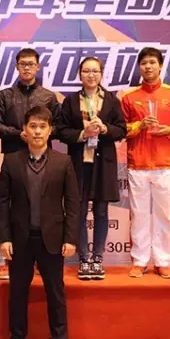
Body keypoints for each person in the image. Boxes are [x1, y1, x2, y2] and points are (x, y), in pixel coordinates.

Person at [0, 106, 79, 339]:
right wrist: (4, 238)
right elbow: (2, 203)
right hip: (20, 240)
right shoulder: (11, 161)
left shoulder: (63, 162)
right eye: (33, 126)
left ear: (50, 130)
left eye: (43, 126)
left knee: (56, 293)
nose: (38, 131)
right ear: (25, 130)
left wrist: (70, 238)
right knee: (18, 293)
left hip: (52, 240)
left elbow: (72, 203)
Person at [119, 47, 170, 279]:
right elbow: (120, 129)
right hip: (138, 164)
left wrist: (169, 130)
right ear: (139, 67)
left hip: (165, 164)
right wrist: (138, 126)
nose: (148, 67)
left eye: (152, 62)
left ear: (160, 66)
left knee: (165, 216)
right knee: (138, 215)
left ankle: (162, 261)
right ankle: (139, 261)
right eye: (144, 63)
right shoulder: (129, 97)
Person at [0, 47, 61, 280]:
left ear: (38, 67)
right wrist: (18, 134)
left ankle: (42, 261)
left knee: (43, 207)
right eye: (23, 64)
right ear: (17, 67)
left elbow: (59, 126)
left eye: (31, 64)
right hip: (13, 157)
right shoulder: (5, 95)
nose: (27, 68)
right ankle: (8, 262)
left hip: (43, 159)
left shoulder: (48, 96)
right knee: (11, 208)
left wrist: (38, 135)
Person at [56, 57, 126, 280]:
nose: (91, 75)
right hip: (79, 163)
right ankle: (84, 258)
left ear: (101, 74)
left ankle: (98, 258)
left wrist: (105, 129)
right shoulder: (70, 101)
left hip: (103, 163)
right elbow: (61, 131)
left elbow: (122, 129)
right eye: (86, 71)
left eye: (95, 71)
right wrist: (82, 134)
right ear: (80, 74)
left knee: (101, 211)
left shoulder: (112, 100)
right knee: (78, 210)